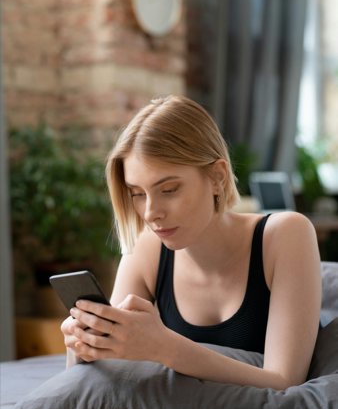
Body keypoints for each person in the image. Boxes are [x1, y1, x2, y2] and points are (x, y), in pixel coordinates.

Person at [61, 96, 321, 390]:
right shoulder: (147, 249)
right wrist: (80, 347)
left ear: (217, 177)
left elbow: (285, 382)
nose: (150, 213)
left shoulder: (286, 234)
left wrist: (164, 348)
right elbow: (102, 379)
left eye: (168, 189)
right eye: (137, 193)